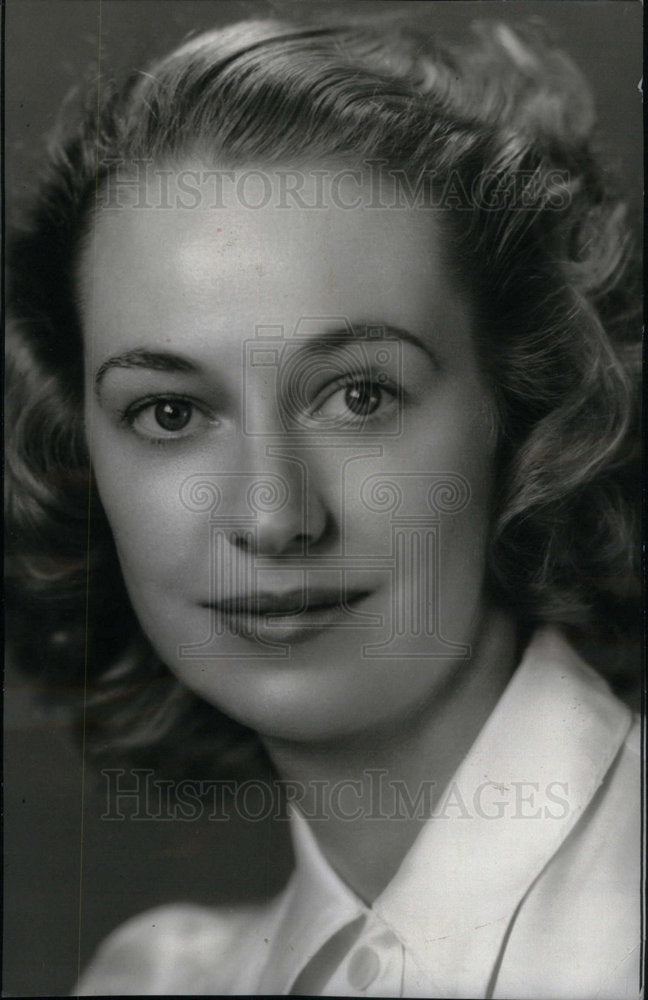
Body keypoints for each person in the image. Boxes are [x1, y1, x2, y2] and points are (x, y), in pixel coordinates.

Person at [5, 14, 641, 998]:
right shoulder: (155, 981)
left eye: (360, 396)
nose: (272, 517)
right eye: (170, 411)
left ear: (523, 407)